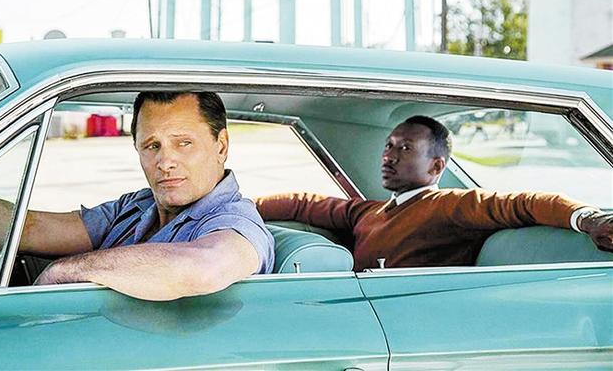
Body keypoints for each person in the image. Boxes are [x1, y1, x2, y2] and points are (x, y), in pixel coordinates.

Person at [0, 91, 274, 299]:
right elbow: (29, 229)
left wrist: (66, 271)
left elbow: (204, 267)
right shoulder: (137, 206)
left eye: (183, 143)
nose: (165, 161)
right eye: (152, 146)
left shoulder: (235, 221)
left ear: (221, 146)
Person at [255, 115, 612, 270]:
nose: (388, 156)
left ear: (436, 166)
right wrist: (242, 207)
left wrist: (590, 219)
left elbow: (525, 204)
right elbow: (304, 204)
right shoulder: (368, 212)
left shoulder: (449, 205)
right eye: (388, 145)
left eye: (405, 148)